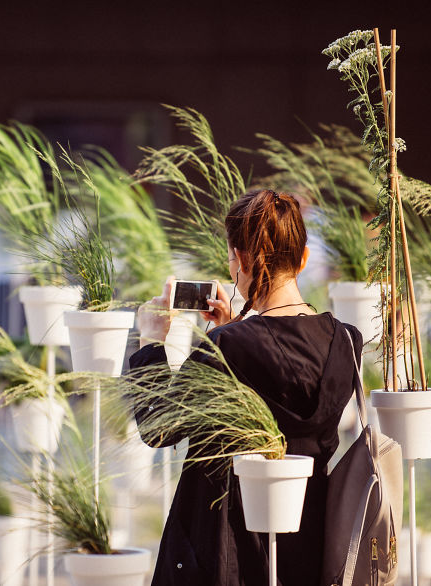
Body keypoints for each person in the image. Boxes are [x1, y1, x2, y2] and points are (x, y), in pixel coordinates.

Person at [129, 189, 362, 585]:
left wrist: (152, 341)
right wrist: (233, 325)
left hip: (227, 549)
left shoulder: (230, 346)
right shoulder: (346, 342)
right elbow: (278, 367)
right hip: (305, 542)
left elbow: (159, 426)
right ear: (303, 259)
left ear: (239, 259)